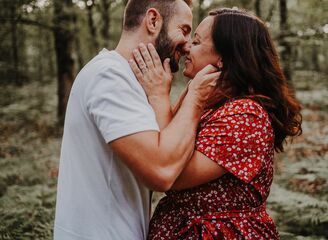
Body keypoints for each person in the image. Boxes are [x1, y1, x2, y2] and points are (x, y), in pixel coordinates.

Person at [53, 0, 221, 239]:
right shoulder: (109, 76)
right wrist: (195, 97)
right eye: (183, 30)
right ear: (153, 21)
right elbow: (161, 172)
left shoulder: (133, 81)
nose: (186, 46)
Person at [130, 8, 302, 239]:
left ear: (225, 57)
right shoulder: (207, 101)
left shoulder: (246, 116)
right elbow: (169, 141)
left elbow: (171, 175)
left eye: (198, 42)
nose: (187, 47)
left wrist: (159, 95)